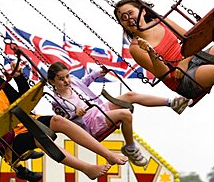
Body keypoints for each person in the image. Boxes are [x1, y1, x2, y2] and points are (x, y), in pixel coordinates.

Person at [0, 53, 129, 180]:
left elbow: (22, 100)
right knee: (40, 137)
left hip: (27, 121)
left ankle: (107, 154)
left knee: (58, 120)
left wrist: (19, 78)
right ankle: (87, 168)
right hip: (11, 143)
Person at [47, 62, 189, 166]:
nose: (66, 81)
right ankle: (130, 148)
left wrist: (96, 74)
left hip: (99, 109)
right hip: (90, 125)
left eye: (67, 76)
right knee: (126, 114)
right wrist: (75, 114)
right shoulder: (57, 101)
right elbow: (65, 121)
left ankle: (172, 103)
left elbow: (84, 82)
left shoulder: (73, 82)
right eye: (61, 79)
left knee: (130, 95)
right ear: (52, 81)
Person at [113, 0, 214, 100]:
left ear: (143, 11)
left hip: (192, 58)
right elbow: (164, 75)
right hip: (181, 79)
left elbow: (192, 42)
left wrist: (185, 61)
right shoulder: (136, 48)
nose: (129, 19)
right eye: (123, 18)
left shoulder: (161, 21)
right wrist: (151, 53)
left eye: (130, 13)